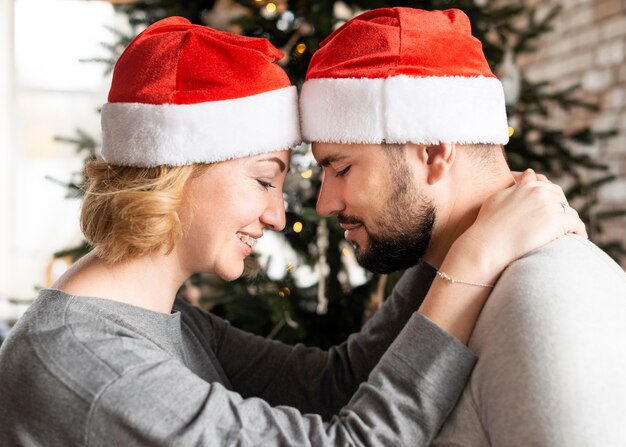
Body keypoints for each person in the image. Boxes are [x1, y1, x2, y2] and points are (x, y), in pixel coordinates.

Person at [0, 17, 585, 447]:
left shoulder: (162, 322)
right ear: (179, 172)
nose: (280, 215)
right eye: (263, 179)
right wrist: (475, 261)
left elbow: (336, 385)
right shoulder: (85, 360)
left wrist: (451, 242)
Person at [299, 7, 626, 446]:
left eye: (341, 169)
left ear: (435, 153)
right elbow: (332, 381)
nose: (324, 204)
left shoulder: (545, 299)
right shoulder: (458, 276)